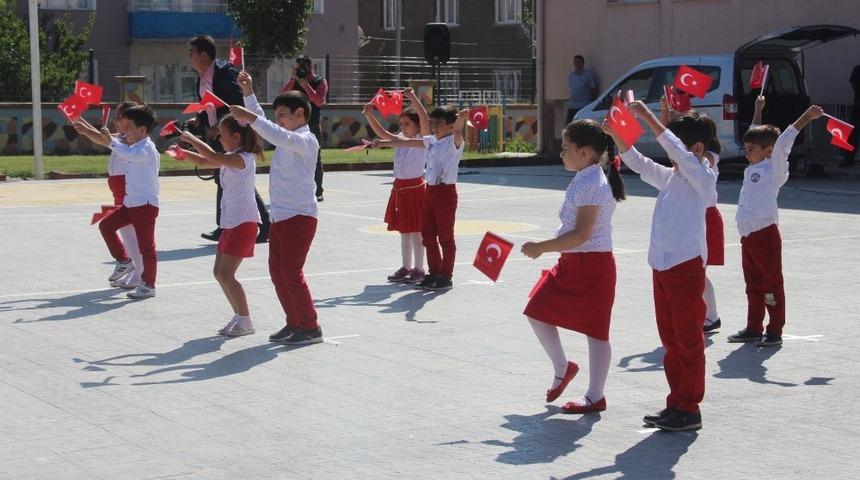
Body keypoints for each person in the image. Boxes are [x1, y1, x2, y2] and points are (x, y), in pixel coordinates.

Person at [608, 102, 717, 432]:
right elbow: (639, 164)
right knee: (671, 341)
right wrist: (618, 136)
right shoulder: (673, 177)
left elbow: (679, 153)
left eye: (681, 149)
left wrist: (649, 117)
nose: (672, 157)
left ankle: (690, 407)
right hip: (663, 267)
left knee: (688, 341)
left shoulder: (703, 176)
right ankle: (676, 402)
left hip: (685, 268)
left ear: (697, 148)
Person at [521, 119, 625, 414]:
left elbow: (581, 234)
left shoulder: (593, 183)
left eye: (566, 148)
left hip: (593, 265)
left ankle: (595, 395)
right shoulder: (584, 176)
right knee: (536, 310)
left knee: (596, 331)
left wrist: (541, 247)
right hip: (572, 261)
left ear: (585, 152)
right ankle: (563, 367)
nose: (561, 153)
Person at [230, 71, 324, 346]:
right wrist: (248, 93)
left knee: (292, 272)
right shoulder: (287, 135)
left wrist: (251, 117)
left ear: (300, 114)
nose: (279, 120)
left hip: (300, 216)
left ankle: (310, 327)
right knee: (277, 272)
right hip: (281, 215)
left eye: (283, 114)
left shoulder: (306, 140)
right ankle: (294, 322)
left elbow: (268, 129)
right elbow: (266, 124)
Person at [727, 97, 824, 347]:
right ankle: (753, 327)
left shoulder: (775, 170)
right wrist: (758, 110)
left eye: (751, 149)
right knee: (753, 285)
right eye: (747, 148)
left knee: (771, 285)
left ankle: (775, 330)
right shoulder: (755, 164)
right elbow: (755, 134)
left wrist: (805, 117)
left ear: (768, 152)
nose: (747, 152)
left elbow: (782, 145)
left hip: (765, 236)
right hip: (748, 237)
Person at [169, 115, 264, 337]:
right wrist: (181, 153)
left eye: (222, 134)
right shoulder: (231, 156)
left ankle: (245, 320)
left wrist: (191, 139)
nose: (219, 138)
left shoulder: (244, 159)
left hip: (243, 223)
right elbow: (204, 161)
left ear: (236, 136)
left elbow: (210, 155)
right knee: (219, 272)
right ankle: (240, 317)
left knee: (227, 274)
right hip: (231, 222)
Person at [371, 106, 469, 291]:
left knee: (446, 238)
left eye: (438, 123)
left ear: (449, 125)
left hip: (445, 193)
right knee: (428, 237)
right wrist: (382, 143)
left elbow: (457, 129)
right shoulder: (431, 140)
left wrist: (461, 118)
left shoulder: (455, 141)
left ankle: (446, 276)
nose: (433, 127)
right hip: (430, 192)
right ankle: (433, 273)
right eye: (432, 123)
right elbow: (405, 143)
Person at [186, 34, 270, 243]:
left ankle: (257, 225)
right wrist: (200, 118)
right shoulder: (203, 76)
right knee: (225, 176)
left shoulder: (224, 74)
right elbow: (210, 104)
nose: (189, 56)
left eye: (192, 52)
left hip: (234, 133)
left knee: (229, 175)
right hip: (219, 133)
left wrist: (218, 126)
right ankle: (230, 226)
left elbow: (237, 104)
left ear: (204, 55)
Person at [74, 105, 161, 300]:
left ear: (142, 130)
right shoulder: (133, 144)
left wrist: (109, 141)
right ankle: (124, 260)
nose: (124, 130)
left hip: (145, 206)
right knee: (106, 225)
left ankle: (148, 284)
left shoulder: (146, 148)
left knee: (147, 247)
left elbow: (128, 153)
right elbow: (120, 147)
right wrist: (106, 138)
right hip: (131, 204)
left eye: (128, 126)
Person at [659, 100, 724, 333]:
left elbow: (678, 149)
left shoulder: (709, 156)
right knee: (698, 272)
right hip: (695, 214)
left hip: (705, 215)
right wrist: (667, 113)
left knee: (697, 271)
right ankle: (710, 315)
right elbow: (671, 144)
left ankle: (710, 315)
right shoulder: (689, 154)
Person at [362, 87, 429, 285]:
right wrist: (369, 115)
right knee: (405, 231)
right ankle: (406, 267)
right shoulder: (401, 138)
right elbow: (382, 133)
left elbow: (424, 118)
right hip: (400, 189)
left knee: (417, 231)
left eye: (407, 124)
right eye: (401, 124)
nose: (403, 127)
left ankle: (419, 269)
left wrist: (415, 98)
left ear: (418, 126)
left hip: (415, 190)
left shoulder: (423, 140)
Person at [102, 101, 145, 290]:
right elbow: (103, 138)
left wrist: (93, 132)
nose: (116, 122)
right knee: (128, 232)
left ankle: (135, 269)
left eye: (118, 118)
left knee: (129, 231)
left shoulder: (130, 138)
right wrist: (81, 124)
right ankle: (136, 270)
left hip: (126, 187)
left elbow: (103, 139)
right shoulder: (121, 136)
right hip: (119, 187)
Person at [281, 55, 328, 201]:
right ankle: (294, 190)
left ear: (311, 67)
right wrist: (293, 79)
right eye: (299, 68)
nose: (302, 70)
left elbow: (319, 101)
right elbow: (283, 94)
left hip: (312, 125)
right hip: (294, 125)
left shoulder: (320, 81)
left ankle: (318, 190)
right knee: (291, 156)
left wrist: (306, 85)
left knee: (315, 158)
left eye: (304, 67)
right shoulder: (294, 82)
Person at [566, 55, 598, 124]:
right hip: (572, 106)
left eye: (578, 62)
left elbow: (594, 89)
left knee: (582, 126)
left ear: (583, 63)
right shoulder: (572, 75)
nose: (577, 64)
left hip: (584, 106)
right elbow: (572, 89)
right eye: (575, 62)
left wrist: (593, 103)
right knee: (568, 126)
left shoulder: (588, 75)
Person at [840, 64, 860, 167]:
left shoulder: (857, 69)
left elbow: (853, 84)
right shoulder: (857, 69)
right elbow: (853, 84)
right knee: (852, 135)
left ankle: (848, 160)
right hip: (857, 106)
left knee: (852, 135)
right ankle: (848, 160)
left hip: (857, 106)